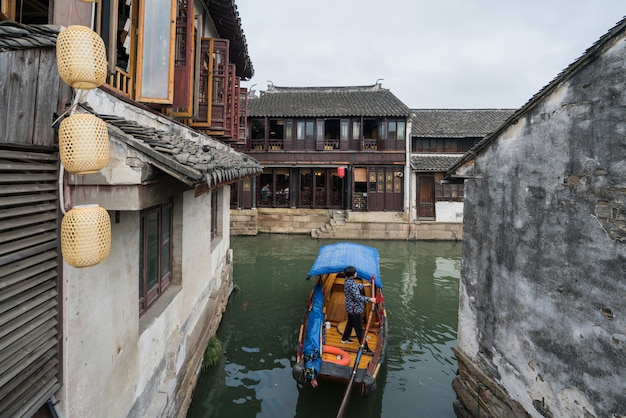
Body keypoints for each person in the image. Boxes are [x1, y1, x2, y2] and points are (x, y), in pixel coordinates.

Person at [341, 266, 376, 353]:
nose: (356, 273)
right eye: (355, 272)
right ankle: (364, 347)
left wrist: (364, 285)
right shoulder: (351, 284)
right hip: (354, 309)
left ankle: (344, 338)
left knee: (350, 323)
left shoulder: (347, 280)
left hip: (349, 307)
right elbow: (357, 297)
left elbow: (355, 286)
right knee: (359, 329)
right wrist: (370, 299)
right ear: (352, 275)